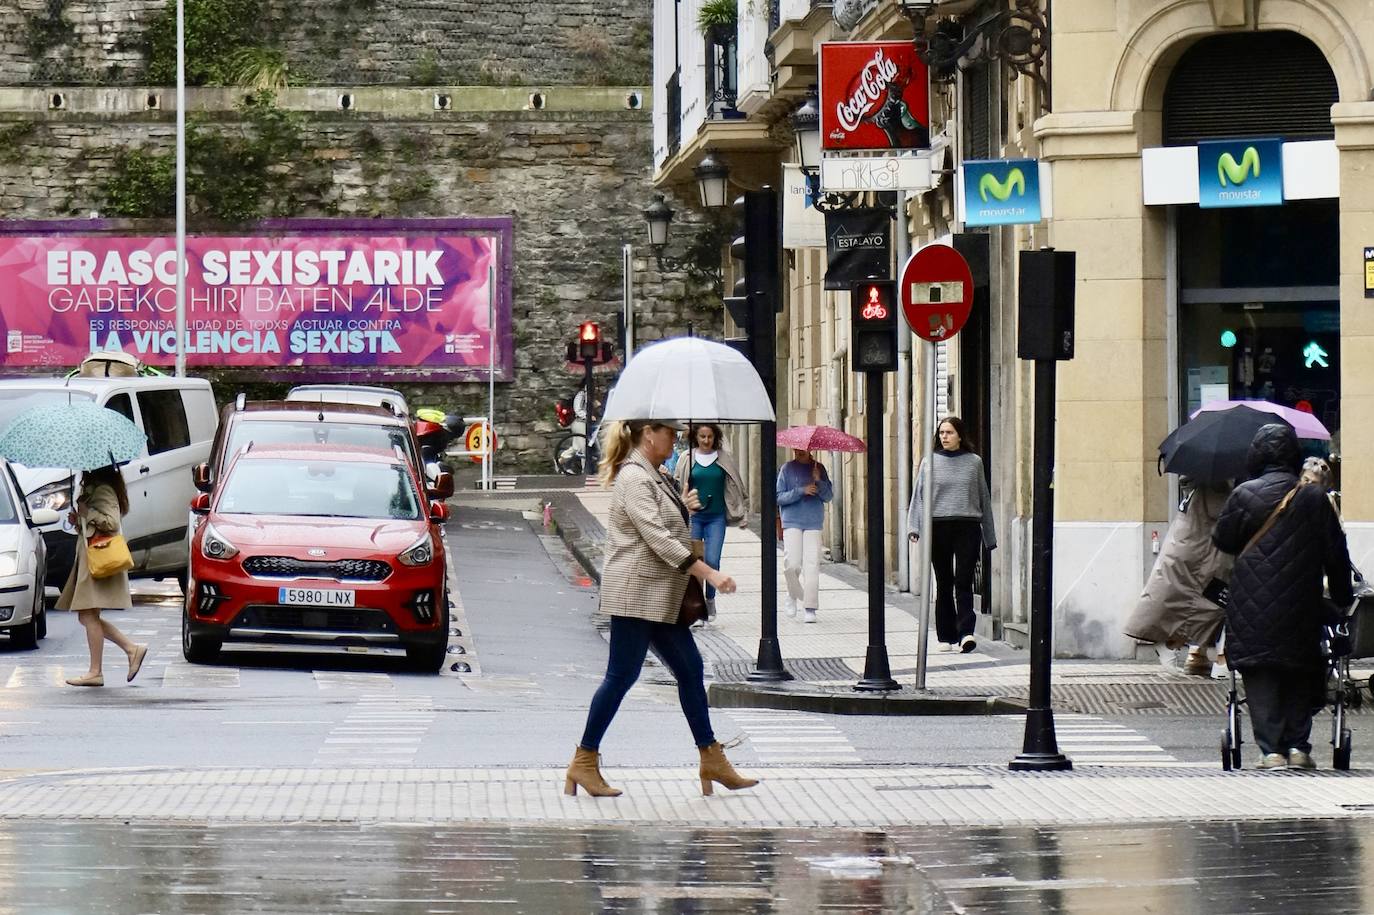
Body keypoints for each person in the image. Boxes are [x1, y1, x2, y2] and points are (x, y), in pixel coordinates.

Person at [566, 419, 758, 798]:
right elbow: (656, 536)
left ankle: (711, 758)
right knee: (621, 676)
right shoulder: (634, 477)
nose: (677, 438)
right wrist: (709, 574)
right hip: (637, 594)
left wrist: (682, 504)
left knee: (691, 669)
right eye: (670, 432)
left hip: (659, 597)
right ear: (648, 433)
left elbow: (668, 524)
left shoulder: (655, 474)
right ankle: (584, 761)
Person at [1212, 423, 1353, 770]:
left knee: (1260, 675)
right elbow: (1336, 555)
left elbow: (1224, 541)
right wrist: (1340, 598)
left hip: (1250, 605)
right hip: (1302, 603)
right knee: (1301, 671)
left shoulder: (1244, 494)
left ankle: (1270, 750)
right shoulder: (1314, 498)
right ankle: (1298, 747)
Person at [1123, 478, 1233, 677]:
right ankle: (1212, 657)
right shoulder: (1216, 488)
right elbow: (1226, 515)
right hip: (1200, 554)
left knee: (1194, 605)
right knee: (1206, 603)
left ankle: (1187, 650)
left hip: (1193, 549)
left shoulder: (1197, 486)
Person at [906, 416, 996, 653]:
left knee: (963, 580)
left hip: (967, 526)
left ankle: (966, 632)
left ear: (960, 435)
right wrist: (914, 527)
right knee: (944, 581)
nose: (944, 437)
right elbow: (919, 496)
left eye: (949, 432)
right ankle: (946, 634)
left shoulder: (974, 462)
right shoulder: (930, 462)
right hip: (938, 526)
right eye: (942, 432)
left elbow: (983, 497)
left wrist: (990, 535)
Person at [57, 465, 147, 688]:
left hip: (96, 559)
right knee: (87, 616)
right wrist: (78, 520)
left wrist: (89, 514)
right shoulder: (94, 488)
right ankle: (130, 650)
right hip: (89, 558)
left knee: (88, 615)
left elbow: (112, 522)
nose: (82, 469)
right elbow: (93, 525)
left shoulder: (104, 489)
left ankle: (97, 670)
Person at [672, 424, 748, 621]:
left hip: (716, 517)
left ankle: (710, 600)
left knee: (712, 560)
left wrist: (741, 512)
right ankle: (697, 607)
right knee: (695, 561)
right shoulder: (686, 458)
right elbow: (677, 483)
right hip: (694, 517)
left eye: (710, 437)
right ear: (696, 437)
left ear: (716, 438)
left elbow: (736, 485)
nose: (706, 440)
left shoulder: (723, 458)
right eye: (702, 436)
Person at [776, 449, 833, 623]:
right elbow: (778, 497)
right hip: (792, 521)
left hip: (813, 521)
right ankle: (792, 594)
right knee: (792, 563)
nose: (800, 452)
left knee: (812, 565)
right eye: (798, 450)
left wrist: (819, 481)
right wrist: (802, 490)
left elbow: (828, 496)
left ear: (810, 451)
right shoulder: (786, 469)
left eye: (804, 450)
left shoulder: (819, 468)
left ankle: (810, 607)